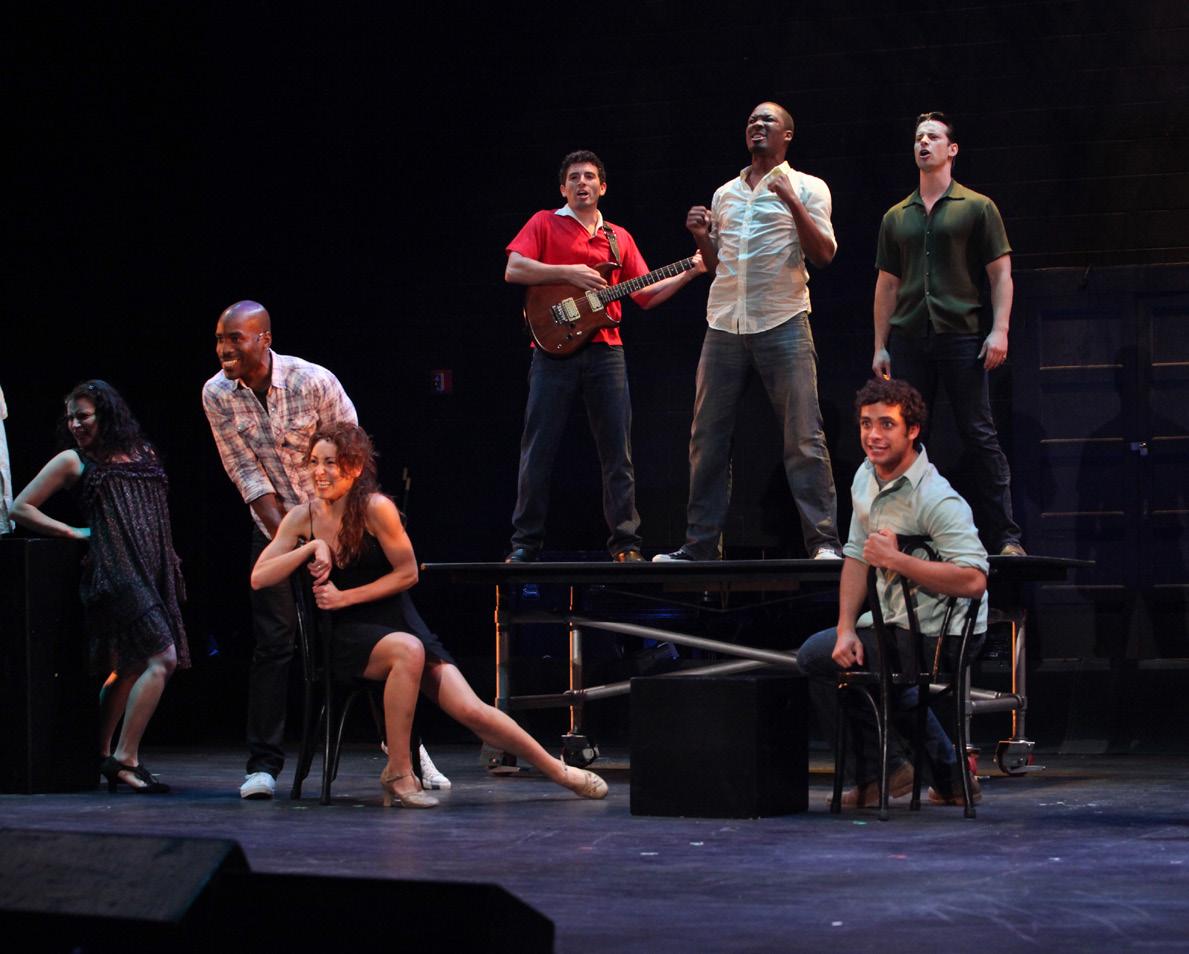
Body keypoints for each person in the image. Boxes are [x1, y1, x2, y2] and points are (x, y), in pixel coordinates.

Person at [251, 422, 608, 807]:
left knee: (471, 709)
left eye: (330, 463)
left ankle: (560, 772)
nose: (319, 472)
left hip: (395, 620)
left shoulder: (376, 508)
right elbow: (259, 577)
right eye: (314, 462)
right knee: (407, 650)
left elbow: (407, 573)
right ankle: (399, 772)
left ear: (354, 467)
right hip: (344, 635)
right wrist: (309, 548)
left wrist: (345, 596)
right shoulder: (302, 517)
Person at [202, 300, 449, 798]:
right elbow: (246, 474)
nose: (225, 349)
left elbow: (352, 453)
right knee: (275, 643)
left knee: (376, 631)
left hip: (344, 524)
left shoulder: (312, 381)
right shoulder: (217, 394)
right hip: (280, 525)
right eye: (220, 340)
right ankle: (263, 765)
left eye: (235, 339)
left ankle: (403, 751)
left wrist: (335, 534)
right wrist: (300, 539)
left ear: (264, 339)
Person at [655, 102, 841, 563]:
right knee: (707, 438)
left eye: (768, 121)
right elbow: (715, 264)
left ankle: (824, 543)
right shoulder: (725, 194)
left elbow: (823, 254)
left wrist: (791, 201)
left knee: (803, 438)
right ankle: (700, 547)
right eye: (752, 121)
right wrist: (701, 236)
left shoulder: (809, 187)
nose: (757, 125)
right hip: (724, 323)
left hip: (783, 320)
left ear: (787, 135)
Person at [505, 150, 704, 563]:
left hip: (606, 350)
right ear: (563, 188)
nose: (582, 183)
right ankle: (525, 543)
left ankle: (626, 544)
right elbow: (515, 270)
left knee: (618, 450)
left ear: (603, 187)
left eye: (590, 176)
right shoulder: (544, 222)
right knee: (538, 447)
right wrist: (567, 272)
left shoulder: (618, 237)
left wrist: (691, 270)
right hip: (552, 352)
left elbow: (644, 294)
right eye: (574, 177)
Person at [797, 378, 988, 807]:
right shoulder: (866, 476)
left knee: (817, 658)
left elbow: (974, 579)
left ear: (912, 430)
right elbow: (856, 556)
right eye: (867, 424)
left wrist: (898, 560)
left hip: (944, 634)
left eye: (887, 424)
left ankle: (879, 773)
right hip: (896, 626)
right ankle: (950, 779)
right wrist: (846, 628)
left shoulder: (937, 499)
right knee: (843, 654)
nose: (873, 435)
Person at [12, 380, 189, 793]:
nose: (75, 424)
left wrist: (167, 562)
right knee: (162, 659)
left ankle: (98, 754)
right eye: (71, 418)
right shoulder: (74, 460)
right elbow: (20, 507)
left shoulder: (142, 452)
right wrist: (72, 532)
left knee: (129, 666)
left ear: (106, 414)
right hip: (115, 572)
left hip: (152, 567)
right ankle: (125, 758)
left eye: (83, 416)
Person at [872, 111, 1024, 556]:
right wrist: (880, 345)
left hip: (961, 335)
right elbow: (887, 285)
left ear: (951, 149)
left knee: (979, 434)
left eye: (933, 137)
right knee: (909, 437)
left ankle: (1007, 537)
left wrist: (1000, 330)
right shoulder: (897, 216)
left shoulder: (976, 207)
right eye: (919, 137)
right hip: (910, 337)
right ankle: (909, 537)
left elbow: (1000, 274)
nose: (924, 143)